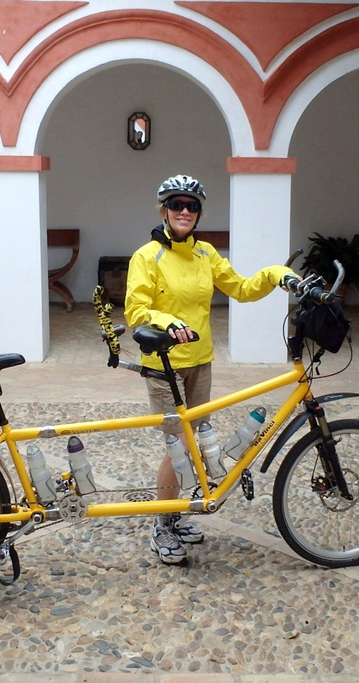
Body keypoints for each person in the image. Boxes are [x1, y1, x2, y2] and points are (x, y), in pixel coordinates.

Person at [124, 174, 297, 564]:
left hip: (199, 362)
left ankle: (178, 513)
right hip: (163, 366)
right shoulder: (146, 256)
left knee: (198, 442)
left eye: (192, 206)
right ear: (164, 210)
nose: (184, 211)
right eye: (177, 204)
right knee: (178, 446)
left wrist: (274, 273)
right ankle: (161, 524)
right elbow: (135, 310)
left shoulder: (206, 254)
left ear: (199, 213)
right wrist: (165, 321)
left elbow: (240, 287)